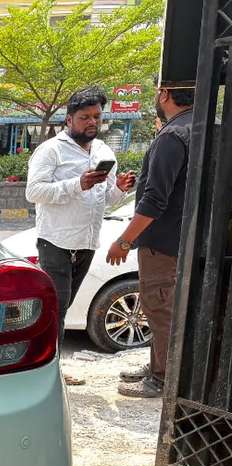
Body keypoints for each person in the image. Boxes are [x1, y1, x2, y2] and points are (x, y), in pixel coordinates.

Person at [26, 87, 137, 385]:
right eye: (85, 117)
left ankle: (47, 368)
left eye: (97, 117)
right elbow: (33, 192)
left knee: (64, 308)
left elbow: (105, 199)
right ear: (69, 119)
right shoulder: (51, 150)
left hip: (87, 242)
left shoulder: (104, 152)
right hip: (55, 242)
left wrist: (120, 188)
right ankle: (48, 373)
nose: (92, 122)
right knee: (55, 310)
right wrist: (78, 184)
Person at [106, 85, 194, 398]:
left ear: (164, 94)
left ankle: (163, 378)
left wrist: (124, 241)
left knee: (159, 309)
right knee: (170, 309)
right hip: (189, 240)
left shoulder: (173, 135)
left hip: (164, 244)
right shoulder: (205, 127)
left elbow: (155, 200)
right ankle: (159, 365)